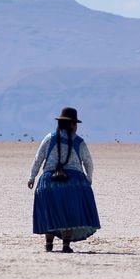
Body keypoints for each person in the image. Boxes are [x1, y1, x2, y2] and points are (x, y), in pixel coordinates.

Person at [27, 107, 100, 253]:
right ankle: (66, 245)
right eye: (76, 124)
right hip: (73, 182)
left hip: (48, 182)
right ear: (72, 124)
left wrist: (32, 176)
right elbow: (88, 162)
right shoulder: (79, 142)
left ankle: (49, 244)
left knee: (50, 211)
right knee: (69, 212)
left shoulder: (49, 138)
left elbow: (38, 158)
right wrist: (88, 179)